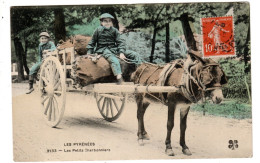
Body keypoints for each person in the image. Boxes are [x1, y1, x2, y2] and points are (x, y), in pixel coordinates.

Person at [87, 13, 140, 84]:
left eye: (109, 21)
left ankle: (140, 72)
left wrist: (121, 52)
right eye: (105, 21)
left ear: (111, 22)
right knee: (114, 60)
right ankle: (119, 79)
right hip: (103, 50)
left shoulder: (114, 30)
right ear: (102, 22)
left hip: (114, 49)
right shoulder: (97, 30)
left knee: (135, 54)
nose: (107, 23)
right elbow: (92, 43)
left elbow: (120, 42)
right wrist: (89, 53)